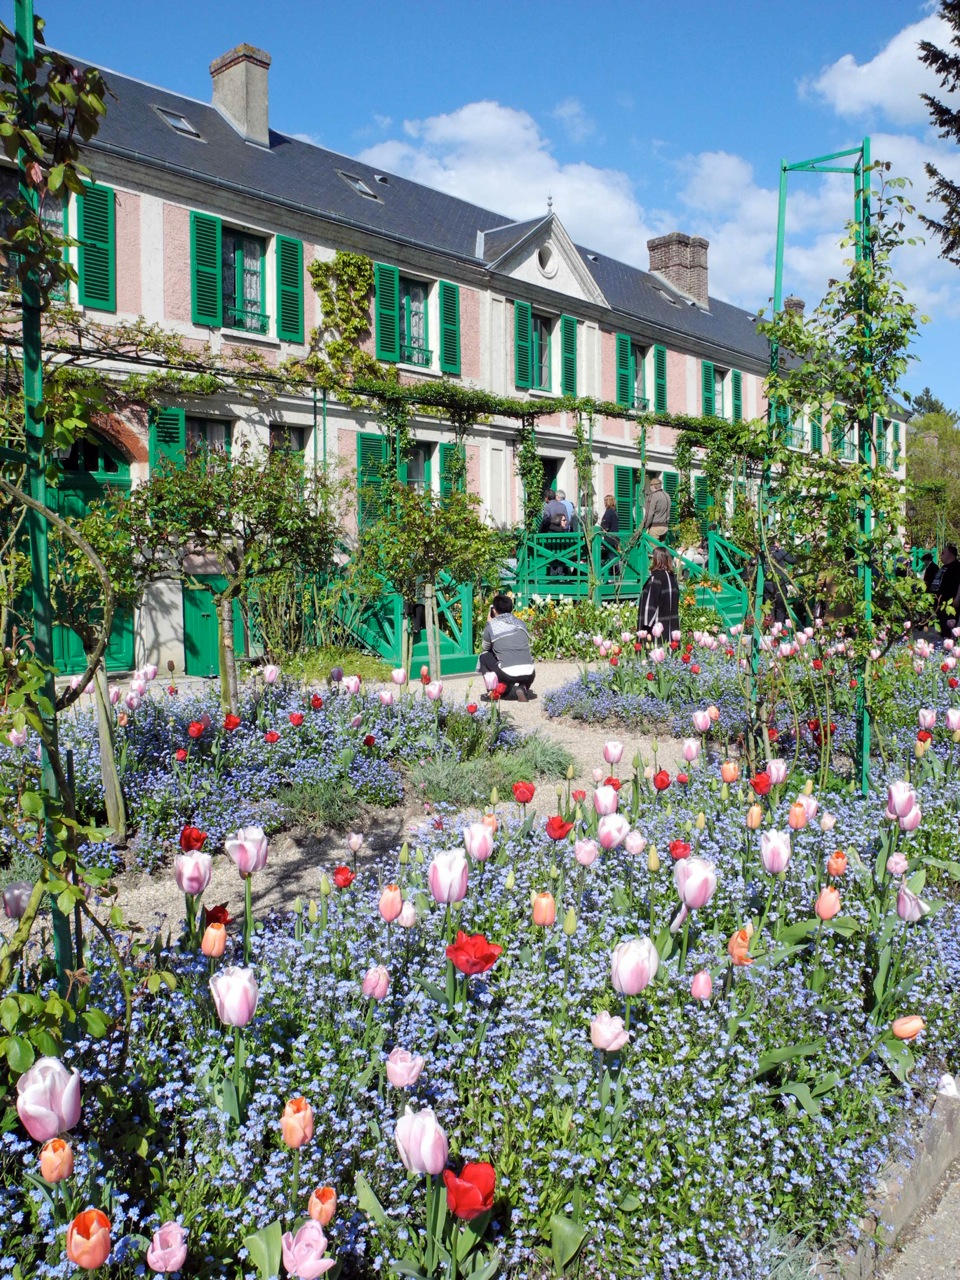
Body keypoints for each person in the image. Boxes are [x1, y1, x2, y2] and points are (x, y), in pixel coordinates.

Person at [478, 594, 536, 701]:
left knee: (484, 657)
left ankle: (493, 692)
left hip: (507, 674)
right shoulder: (521, 623)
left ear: (494, 610)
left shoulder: (492, 626)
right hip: (529, 673)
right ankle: (523, 687)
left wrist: (488, 623)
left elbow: (485, 647)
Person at [637, 546, 679, 636]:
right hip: (670, 623)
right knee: (668, 646)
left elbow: (651, 602)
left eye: (652, 558)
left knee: (656, 648)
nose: (651, 560)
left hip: (657, 625)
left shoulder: (656, 577)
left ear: (657, 559)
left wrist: (646, 627)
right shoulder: (672, 577)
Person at [931, 543, 960, 639]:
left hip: (950, 605)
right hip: (940, 605)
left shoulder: (957, 567)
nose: (941, 555)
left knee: (949, 633)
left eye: (943, 552)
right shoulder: (943, 567)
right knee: (942, 631)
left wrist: (957, 599)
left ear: (950, 554)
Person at [642, 477, 672, 541]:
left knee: (654, 549)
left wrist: (645, 526)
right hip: (665, 527)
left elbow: (649, 514)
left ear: (653, 486)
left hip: (655, 527)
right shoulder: (667, 495)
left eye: (650, 485)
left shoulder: (654, 496)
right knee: (661, 549)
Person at [600, 494, 620, 568]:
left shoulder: (609, 512)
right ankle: (613, 573)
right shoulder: (615, 512)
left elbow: (605, 526)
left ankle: (615, 573)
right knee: (610, 557)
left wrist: (602, 529)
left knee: (611, 557)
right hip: (615, 538)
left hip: (609, 539)